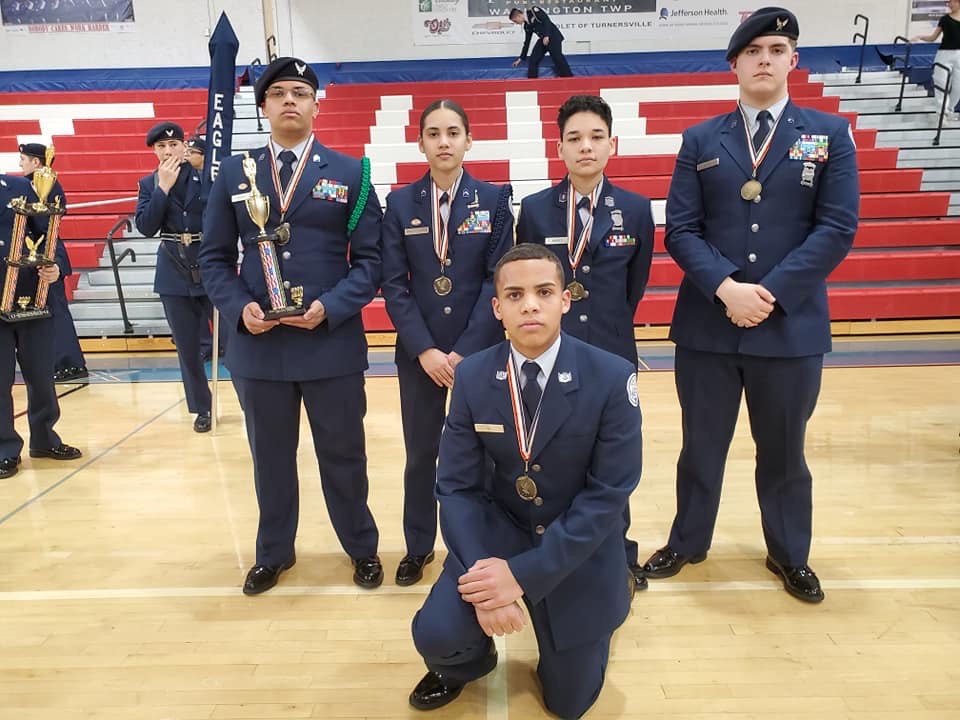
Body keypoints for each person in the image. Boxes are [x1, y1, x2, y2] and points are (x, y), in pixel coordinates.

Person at [641, 7, 860, 604]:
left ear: (795, 61)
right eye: (753, 50)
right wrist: (728, 288)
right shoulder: (701, 139)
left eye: (777, 48)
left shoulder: (829, 135)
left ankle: (790, 554)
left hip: (790, 328)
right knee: (700, 446)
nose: (765, 58)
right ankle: (687, 542)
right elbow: (681, 229)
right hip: (709, 327)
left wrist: (770, 294)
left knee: (785, 452)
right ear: (734, 63)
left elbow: (837, 228)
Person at [408, 243, 641, 718]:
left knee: (569, 703)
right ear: (498, 308)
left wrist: (522, 576)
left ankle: (607, 603)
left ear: (565, 300)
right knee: (436, 635)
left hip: (576, 547)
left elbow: (607, 497)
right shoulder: (472, 375)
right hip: (501, 533)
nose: (530, 304)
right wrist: (485, 578)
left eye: (543, 291)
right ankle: (468, 662)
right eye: (514, 294)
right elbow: (455, 487)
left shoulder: (612, 377)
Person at [199, 56, 384, 595]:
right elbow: (213, 257)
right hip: (259, 346)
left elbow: (371, 262)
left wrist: (331, 306)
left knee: (345, 457)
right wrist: (239, 309)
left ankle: (361, 547)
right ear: (263, 107)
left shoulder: (353, 173)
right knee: (270, 460)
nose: (289, 101)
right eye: (278, 93)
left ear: (315, 104)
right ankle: (273, 552)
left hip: (329, 343)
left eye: (300, 92)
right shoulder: (235, 173)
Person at [517, 94, 654, 591]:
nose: (585, 147)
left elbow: (633, 288)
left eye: (596, 137)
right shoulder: (534, 210)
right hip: (548, 354)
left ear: (612, 144)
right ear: (559, 148)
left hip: (612, 359)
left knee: (614, 461)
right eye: (574, 138)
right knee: (551, 455)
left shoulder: (636, 210)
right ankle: (552, 553)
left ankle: (619, 553)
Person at [381, 99, 514, 587]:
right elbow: (394, 284)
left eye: (453, 132)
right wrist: (426, 350)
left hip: (477, 354)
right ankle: (418, 546)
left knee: (481, 454)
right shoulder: (397, 204)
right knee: (421, 454)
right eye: (433, 133)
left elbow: (496, 281)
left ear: (468, 140)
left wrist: (463, 351)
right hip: (420, 355)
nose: (443, 142)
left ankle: (474, 548)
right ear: (420, 143)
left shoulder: (494, 200)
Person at [0, 173, 82, 479]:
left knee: (42, 375)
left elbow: (49, 234)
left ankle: (45, 439)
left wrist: (57, 267)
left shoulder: (19, 187)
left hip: (31, 295)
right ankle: (5, 449)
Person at [135, 121, 213, 433]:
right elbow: (146, 226)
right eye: (161, 147)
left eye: (174, 145)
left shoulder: (206, 177)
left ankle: (250, 399)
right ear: (154, 151)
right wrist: (162, 189)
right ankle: (201, 408)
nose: (168, 151)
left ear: (184, 146)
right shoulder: (148, 183)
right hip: (173, 270)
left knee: (234, 340)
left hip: (209, 265)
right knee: (187, 347)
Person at [18, 143, 88, 383]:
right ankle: (61, 362)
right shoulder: (37, 183)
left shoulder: (40, 184)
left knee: (56, 311)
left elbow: (48, 224)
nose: (20, 164)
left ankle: (69, 363)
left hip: (48, 253)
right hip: (45, 251)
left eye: (24, 159)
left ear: (36, 162)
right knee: (51, 311)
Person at [910, 0, 960, 121]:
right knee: (941, 85)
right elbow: (933, 38)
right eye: (948, 2)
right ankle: (941, 113)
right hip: (944, 55)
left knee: (958, 87)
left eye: (951, 2)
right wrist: (920, 37)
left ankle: (949, 110)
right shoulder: (944, 19)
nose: (949, 4)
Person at [510, 6, 573, 79]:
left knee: (557, 58)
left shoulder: (534, 11)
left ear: (518, 16)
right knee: (533, 59)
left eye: (515, 21)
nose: (516, 23)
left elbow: (546, 20)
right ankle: (532, 81)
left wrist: (547, 35)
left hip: (553, 36)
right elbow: (527, 42)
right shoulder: (527, 26)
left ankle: (569, 79)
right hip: (543, 39)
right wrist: (520, 58)